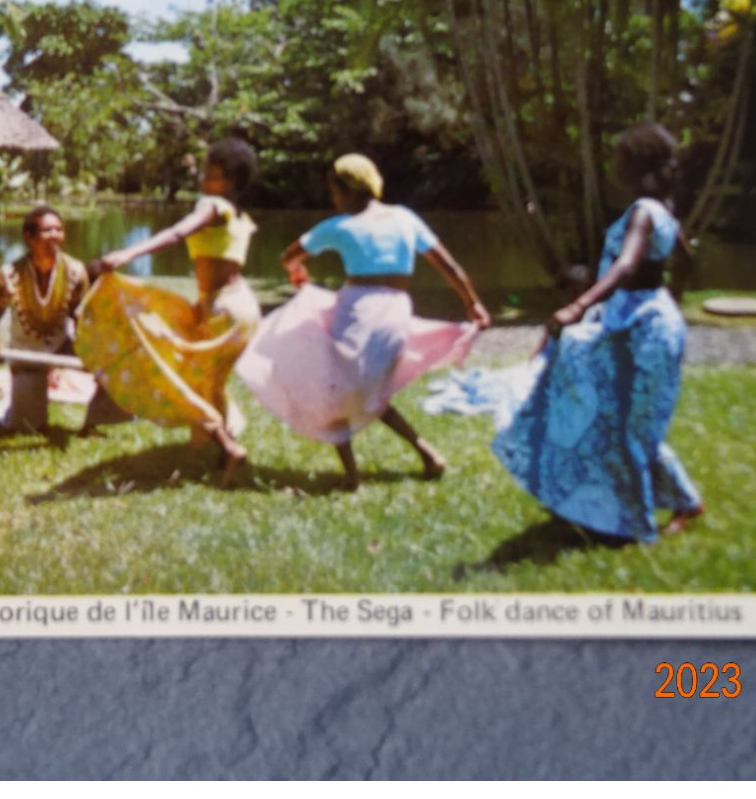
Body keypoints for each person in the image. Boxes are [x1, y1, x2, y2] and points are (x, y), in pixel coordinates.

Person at [479, 123, 704, 541]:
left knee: (634, 428)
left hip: (645, 329)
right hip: (638, 323)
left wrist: (579, 304)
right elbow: (686, 259)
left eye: (619, 159)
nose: (612, 166)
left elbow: (626, 265)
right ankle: (596, 502)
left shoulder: (643, 211)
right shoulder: (663, 211)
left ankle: (653, 515)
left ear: (635, 165)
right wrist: (670, 299)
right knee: (607, 416)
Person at [262, 153, 490, 490]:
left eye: (334, 192)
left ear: (346, 188)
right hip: (396, 311)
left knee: (336, 391)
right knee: (368, 393)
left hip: (358, 311)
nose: (333, 199)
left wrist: (299, 274)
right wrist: (473, 304)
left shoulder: (338, 227)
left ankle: (353, 479)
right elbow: (450, 267)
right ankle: (427, 454)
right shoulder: (404, 218)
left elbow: (289, 255)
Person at [79, 138, 261, 481]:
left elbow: (177, 233)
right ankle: (221, 453)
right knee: (210, 383)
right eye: (204, 173)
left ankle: (227, 446)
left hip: (226, 306)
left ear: (232, 181)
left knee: (184, 377)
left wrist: (128, 254)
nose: (203, 180)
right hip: (240, 306)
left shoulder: (213, 205)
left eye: (213, 174)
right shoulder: (240, 216)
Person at [0, 205, 93, 433]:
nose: (55, 236)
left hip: (62, 348)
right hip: (25, 353)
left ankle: (95, 422)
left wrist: (91, 350)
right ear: (28, 237)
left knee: (112, 364)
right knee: (29, 427)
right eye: (47, 230)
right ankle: (13, 401)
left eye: (59, 230)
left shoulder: (76, 272)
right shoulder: (9, 275)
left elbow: (82, 319)